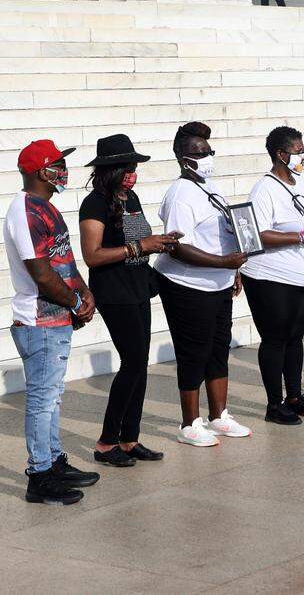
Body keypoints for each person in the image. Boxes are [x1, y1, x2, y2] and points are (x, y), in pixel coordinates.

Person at [3, 140, 99, 505]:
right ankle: (39, 475)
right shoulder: (24, 211)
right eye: (59, 163)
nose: (64, 169)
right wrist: (74, 302)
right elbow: (42, 274)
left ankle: (55, 461)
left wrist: (84, 294)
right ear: (42, 170)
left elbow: (64, 262)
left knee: (53, 398)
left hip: (57, 317)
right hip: (38, 321)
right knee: (43, 401)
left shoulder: (47, 208)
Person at [79, 135, 179, 468]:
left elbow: (139, 241)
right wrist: (141, 247)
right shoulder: (94, 204)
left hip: (138, 287)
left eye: (134, 168)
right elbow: (92, 256)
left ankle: (129, 438)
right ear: (110, 170)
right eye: (126, 168)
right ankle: (106, 442)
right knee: (133, 361)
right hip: (113, 292)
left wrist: (160, 244)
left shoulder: (130, 197)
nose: (132, 174)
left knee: (140, 363)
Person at [153, 122, 251, 446]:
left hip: (218, 284)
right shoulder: (181, 195)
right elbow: (178, 247)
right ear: (184, 159)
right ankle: (189, 423)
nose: (207, 156)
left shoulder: (210, 188)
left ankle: (219, 416)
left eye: (209, 151)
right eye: (199, 152)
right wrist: (224, 264)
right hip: (187, 285)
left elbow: (223, 235)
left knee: (218, 349)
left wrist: (231, 272)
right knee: (193, 352)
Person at [241, 127, 304, 425]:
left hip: (302, 275)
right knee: (275, 339)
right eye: (297, 151)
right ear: (281, 154)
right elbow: (259, 234)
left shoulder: (300, 183)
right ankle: (274, 403)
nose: (302, 156)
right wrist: (302, 236)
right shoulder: (264, 189)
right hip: (270, 276)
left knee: (295, 337)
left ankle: (294, 396)